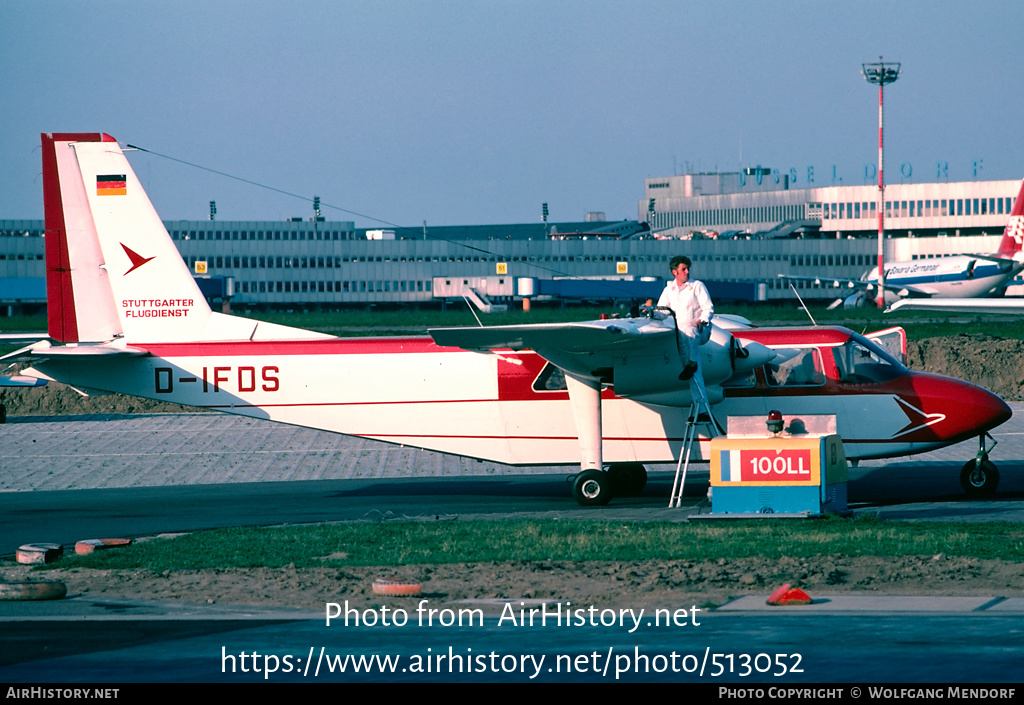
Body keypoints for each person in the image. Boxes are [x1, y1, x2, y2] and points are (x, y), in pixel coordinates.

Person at [656, 255, 714, 405]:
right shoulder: (669, 290)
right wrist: (649, 312)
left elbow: (708, 308)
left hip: (700, 330)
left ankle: (692, 363)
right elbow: (662, 312)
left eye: (688, 268)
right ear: (675, 272)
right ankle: (701, 408)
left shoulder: (697, 286)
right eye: (683, 269)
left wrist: (702, 320)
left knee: (690, 330)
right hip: (682, 334)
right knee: (695, 376)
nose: (687, 272)